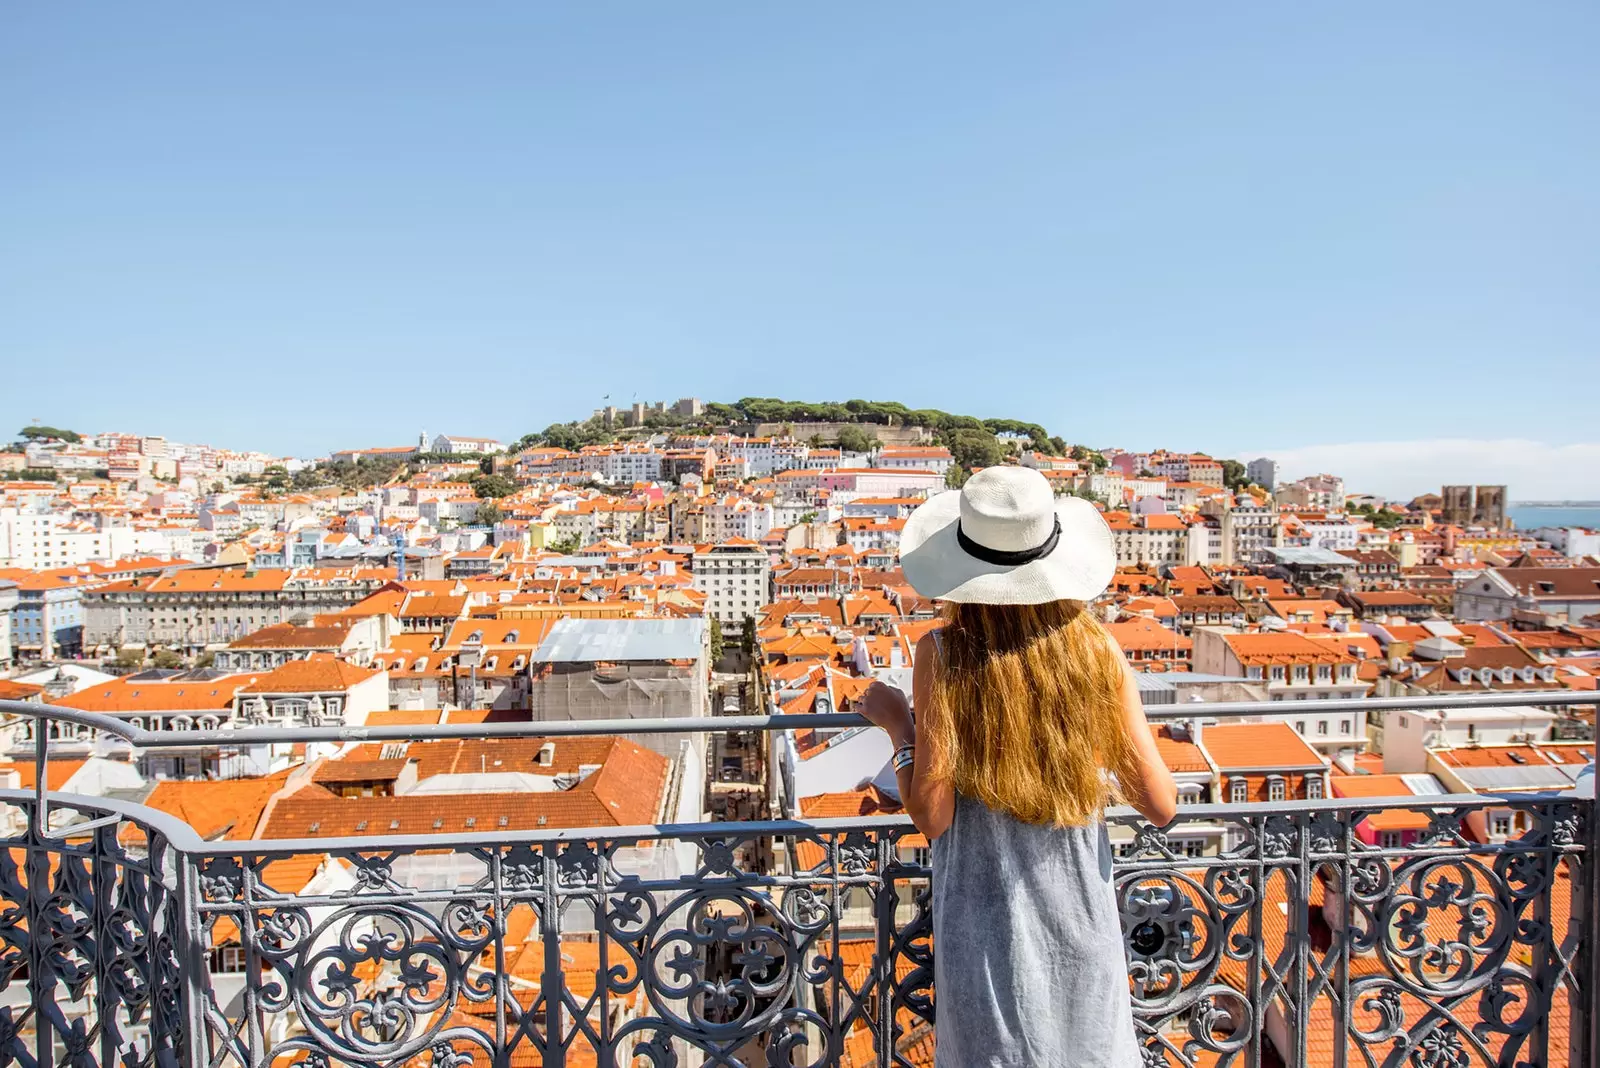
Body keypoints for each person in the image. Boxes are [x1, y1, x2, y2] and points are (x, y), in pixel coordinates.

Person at [859, 465, 1177, 1067]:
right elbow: (1160, 803)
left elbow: (931, 814)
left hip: (986, 937)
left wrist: (900, 727)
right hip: (1083, 927)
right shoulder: (1096, 651)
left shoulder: (944, 653)